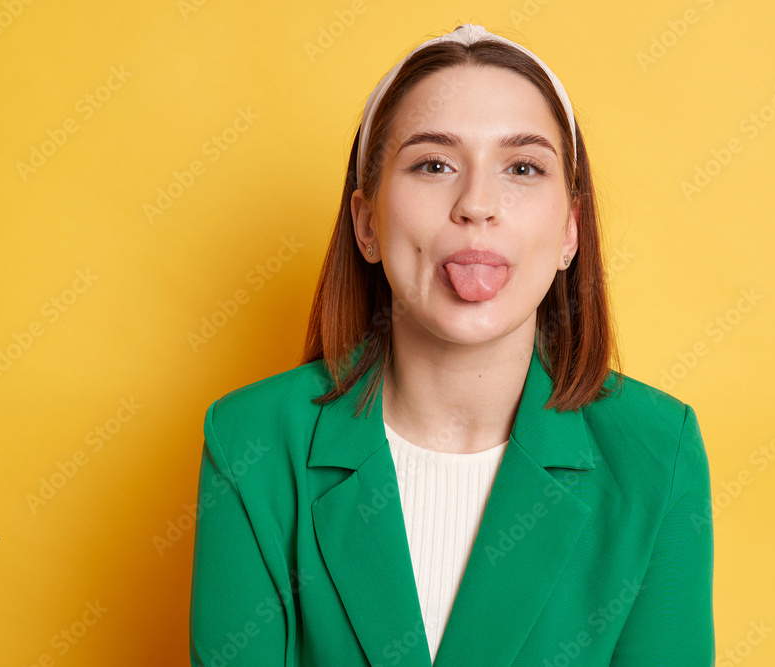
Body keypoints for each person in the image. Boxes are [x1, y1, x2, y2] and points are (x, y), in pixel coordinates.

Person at [189, 23, 715, 666]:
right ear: (366, 224)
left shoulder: (658, 452)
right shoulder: (252, 442)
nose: (477, 205)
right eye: (433, 164)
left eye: (522, 167)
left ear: (570, 231)